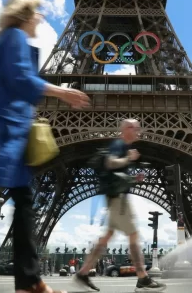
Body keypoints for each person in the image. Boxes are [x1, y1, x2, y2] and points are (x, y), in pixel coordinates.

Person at [0, 0, 90, 293]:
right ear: (25, 15)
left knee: (13, 204)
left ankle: (30, 280)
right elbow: (21, 80)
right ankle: (30, 281)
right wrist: (63, 92)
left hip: (3, 143)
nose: (41, 17)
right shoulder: (14, 38)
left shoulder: (15, 41)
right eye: (37, 13)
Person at [74, 119, 166, 292]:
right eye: (134, 127)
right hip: (118, 199)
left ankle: (83, 272)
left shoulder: (122, 146)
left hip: (117, 197)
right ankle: (142, 279)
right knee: (133, 235)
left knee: (107, 236)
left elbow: (118, 174)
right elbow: (110, 163)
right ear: (125, 129)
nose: (138, 130)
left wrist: (134, 178)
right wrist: (128, 158)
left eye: (138, 127)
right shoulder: (119, 144)